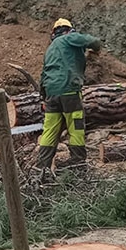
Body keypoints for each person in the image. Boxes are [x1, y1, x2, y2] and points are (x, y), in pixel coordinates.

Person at [37, 18, 101, 174]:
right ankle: (77, 163)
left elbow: (44, 74)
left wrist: (43, 97)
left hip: (51, 93)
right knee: (76, 126)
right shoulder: (70, 37)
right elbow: (93, 41)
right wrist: (96, 49)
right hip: (69, 91)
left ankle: (42, 167)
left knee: (50, 130)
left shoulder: (50, 49)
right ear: (68, 29)